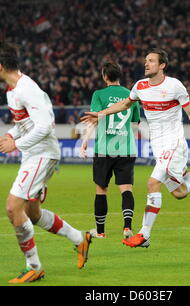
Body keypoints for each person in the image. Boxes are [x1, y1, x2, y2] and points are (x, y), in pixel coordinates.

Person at [81, 49, 190, 248]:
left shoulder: (174, 86)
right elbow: (125, 105)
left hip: (174, 142)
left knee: (152, 183)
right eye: (145, 61)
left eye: (151, 61)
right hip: (158, 145)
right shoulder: (140, 86)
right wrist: (101, 114)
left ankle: (144, 235)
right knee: (179, 192)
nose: (146, 64)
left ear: (162, 65)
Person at [0, 42, 92, 283]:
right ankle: (80, 238)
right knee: (32, 214)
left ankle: (33, 266)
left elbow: (45, 126)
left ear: (0, 66)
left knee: (13, 207)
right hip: (33, 152)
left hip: (42, 153)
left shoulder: (27, 89)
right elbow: (25, 124)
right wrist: (9, 135)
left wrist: (16, 144)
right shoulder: (12, 90)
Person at [80, 62, 141, 239]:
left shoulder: (98, 94)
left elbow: (94, 119)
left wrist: (85, 141)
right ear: (119, 76)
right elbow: (135, 125)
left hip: (104, 150)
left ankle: (100, 232)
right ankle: (127, 227)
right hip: (126, 149)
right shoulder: (131, 95)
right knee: (126, 188)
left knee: (101, 189)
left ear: (104, 76)